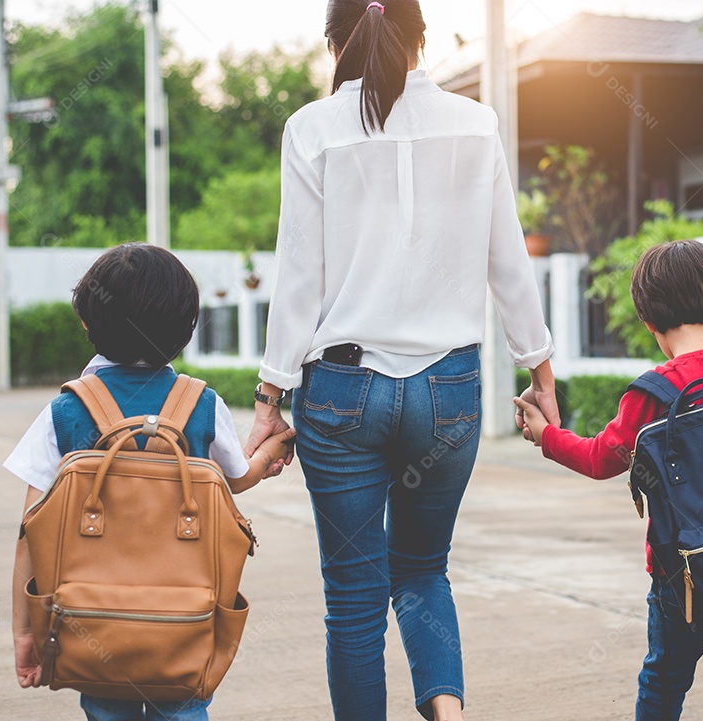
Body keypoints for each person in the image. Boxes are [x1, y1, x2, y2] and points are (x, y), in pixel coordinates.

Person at [243, 2, 557, 719]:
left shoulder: (311, 130)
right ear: (421, 38)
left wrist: (270, 398)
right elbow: (507, 257)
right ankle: (446, 710)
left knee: (353, 599)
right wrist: (539, 371)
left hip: (342, 392)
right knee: (422, 569)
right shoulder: (476, 123)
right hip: (448, 388)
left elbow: (298, 275)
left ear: (332, 40)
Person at [515, 240, 703, 720]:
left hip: (686, 577)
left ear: (648, 321)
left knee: (664, 682)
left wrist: (545, 434)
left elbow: (599, 458)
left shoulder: (651, 395)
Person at [8, 243, 295, 721]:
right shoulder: (201, 404)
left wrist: (26, 633)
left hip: (93, 627)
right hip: (185, 625)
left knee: (105, 707)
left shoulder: (64, 410)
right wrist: (273, 448)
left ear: (87, 325)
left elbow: (28, 534)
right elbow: (238, 479)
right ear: (186, 332)